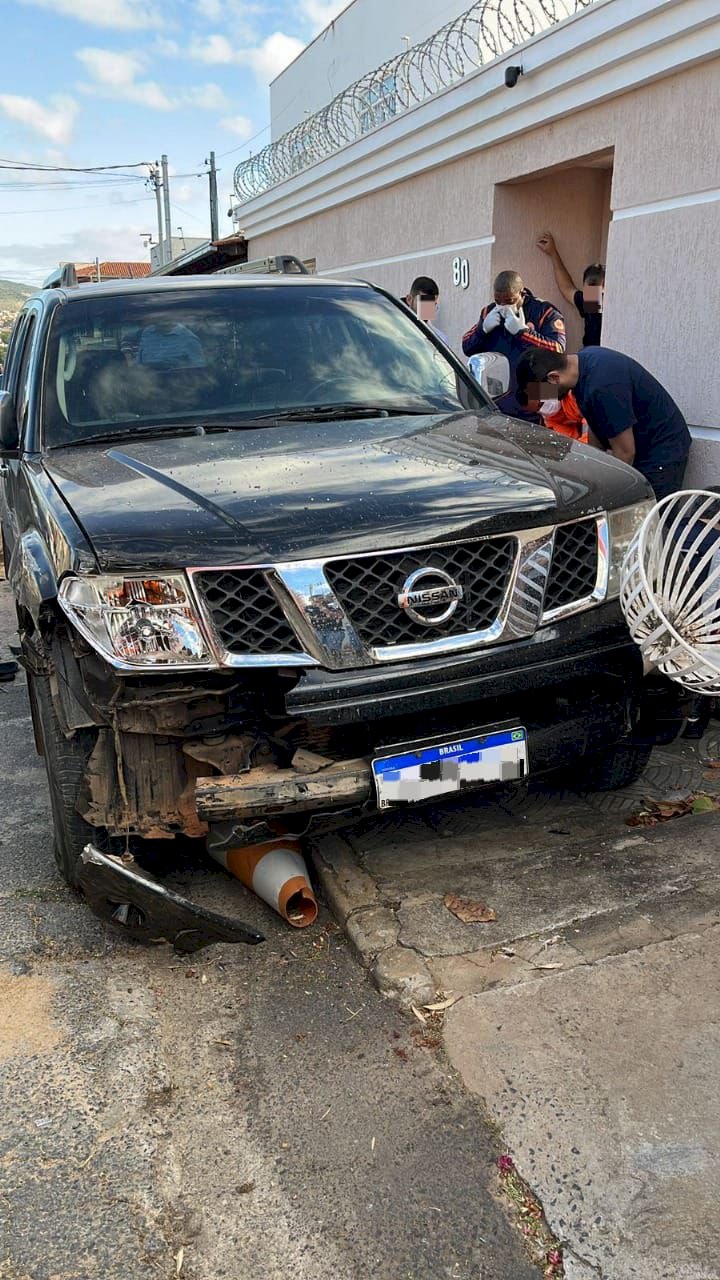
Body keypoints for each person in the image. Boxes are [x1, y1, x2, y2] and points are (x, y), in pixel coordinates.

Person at [515, 346, 691, 498]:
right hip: (644, 446)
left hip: (661, 453)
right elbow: (596, 423)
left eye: (540, 392)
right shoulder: (583, 365)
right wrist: (591, 468)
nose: (544, 399)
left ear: (554, 378)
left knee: (651, 521)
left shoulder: (603, 387)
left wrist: (605, 495)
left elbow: (625, 453)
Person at [462, 270, 566, 418]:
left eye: (509, 301)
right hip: (495, 403)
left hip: (532, 403)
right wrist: (482, 329)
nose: (503, 306)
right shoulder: (489, 311)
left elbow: (558, 350)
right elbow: (466, 347)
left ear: (522, 294)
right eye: (498, 301)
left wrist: (524, 333)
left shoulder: (544, 312)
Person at [536, 231, 605, 347]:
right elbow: (566, 288)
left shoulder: (614, 306)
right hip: (590, 356)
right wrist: (553, 253)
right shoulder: (594, 300)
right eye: (590, 289)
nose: (595, 293)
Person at [137, 317, 205, 369]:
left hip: (176, 384)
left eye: (167, 314)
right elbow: (139, 362)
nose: (163, 317)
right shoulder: (147, 332)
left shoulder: (189, 338)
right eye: (159, 313)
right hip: (146, 382)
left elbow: (198, 369)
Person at [404, 276, 451, 346]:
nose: (428, 309)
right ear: (409, 299)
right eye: (424, 302)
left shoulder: (441, 339)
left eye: (433, 305)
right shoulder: (394, 330)